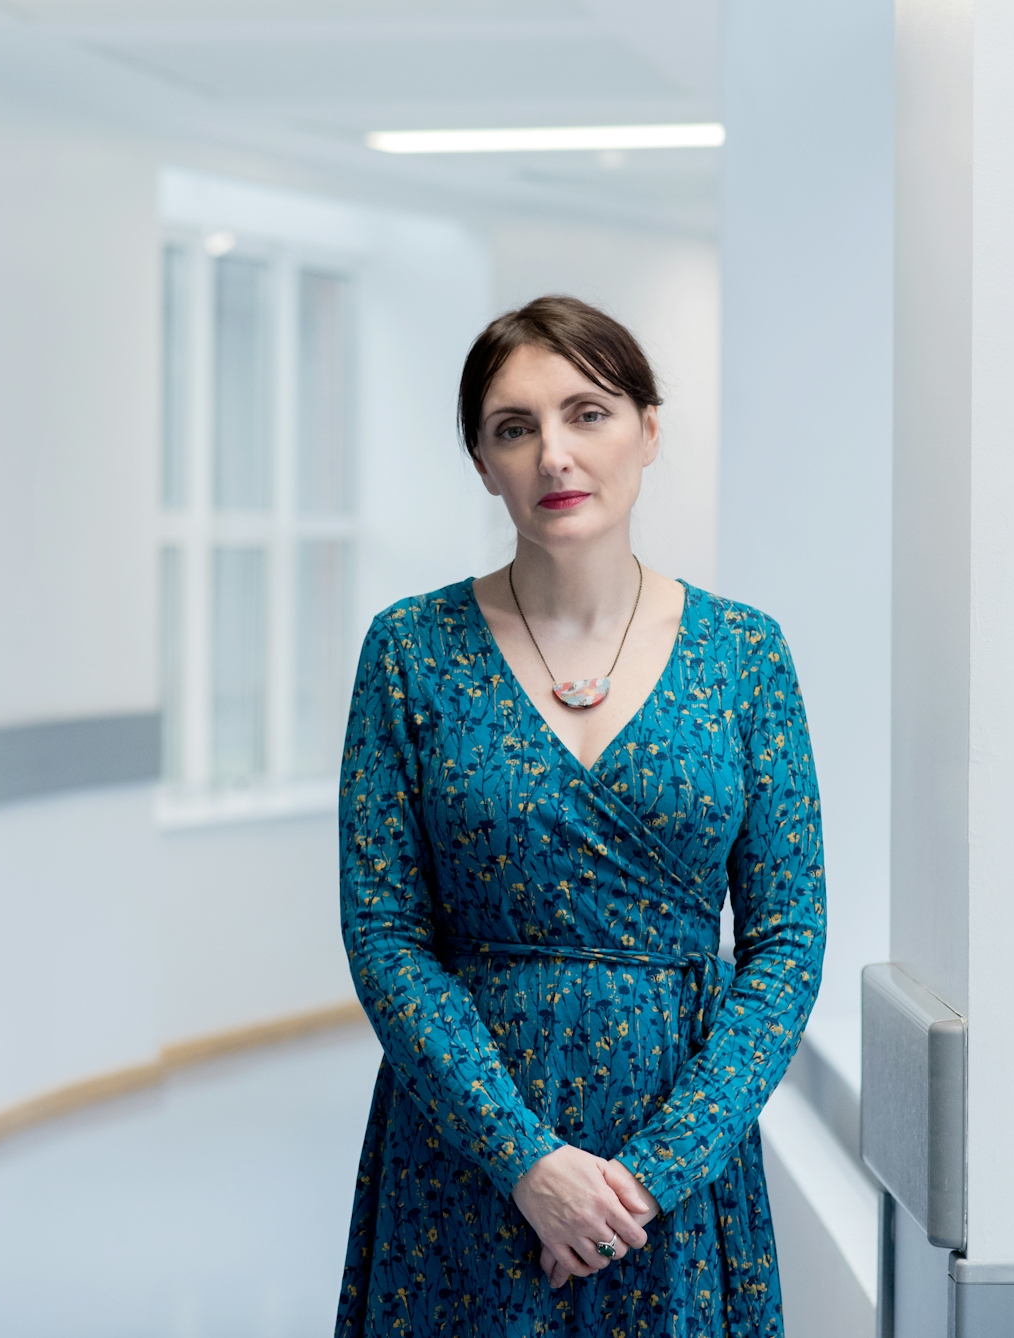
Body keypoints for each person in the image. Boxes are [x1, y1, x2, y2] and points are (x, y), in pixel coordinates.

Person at [335, 295, 825, 1336]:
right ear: (482, 461)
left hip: (676, 1172)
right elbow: (385, 936)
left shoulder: (745, 655)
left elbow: (787, 941)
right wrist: (524, 1159)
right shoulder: (410, 652)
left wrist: (651, 1176)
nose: (554, 453)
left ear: (649, 429)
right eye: (515, 429)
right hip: (469, 1151)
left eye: (587, 413)